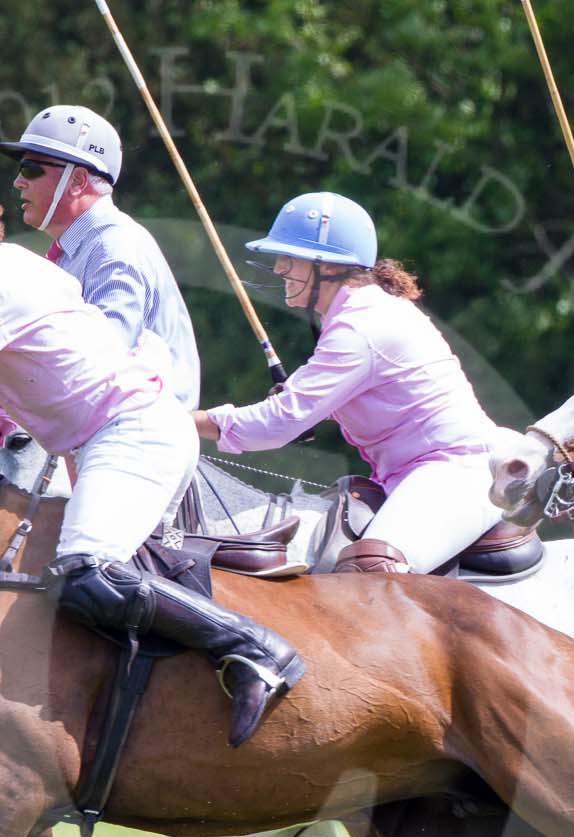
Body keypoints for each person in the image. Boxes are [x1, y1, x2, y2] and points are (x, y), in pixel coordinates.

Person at [0, 139, 302, 747]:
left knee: (83, 575)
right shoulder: (4, 267)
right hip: (115, 437)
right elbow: (5, 383)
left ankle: (257, 648)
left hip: (132, 435)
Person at [192, 192, 519, 574]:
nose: (279, 268)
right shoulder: (359, 313)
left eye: (290, 257)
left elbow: (276, 424)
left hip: (452, 474)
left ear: (328, 266)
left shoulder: (360, 326)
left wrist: (182, 422)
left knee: (368, 570)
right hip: (415, 474)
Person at [0, 105, 201, 410]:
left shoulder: (115, 247)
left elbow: (104, 358)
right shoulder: (78, 249)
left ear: (77, 181)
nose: (18, 182)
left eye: (31, 169)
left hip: (142, 434)